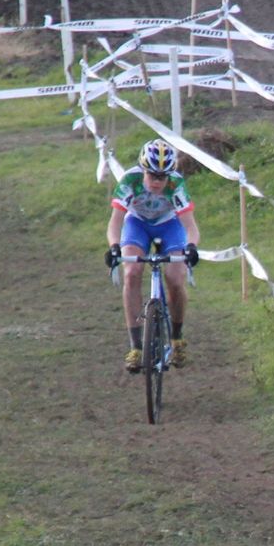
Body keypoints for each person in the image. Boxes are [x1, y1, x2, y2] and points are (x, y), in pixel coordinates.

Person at [105, 139, 200, 373]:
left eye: (163, 176)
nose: (158, 182)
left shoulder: (176, 184)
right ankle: (136, 347)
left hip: (169, 226)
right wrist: (114, 247)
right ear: (143, 170)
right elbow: (115, 222)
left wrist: (192, 247)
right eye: (153, 175)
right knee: (132, 272)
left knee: (176, 278)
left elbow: (190, 226)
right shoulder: (130, 180)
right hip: (137, 224)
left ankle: (177, 339)